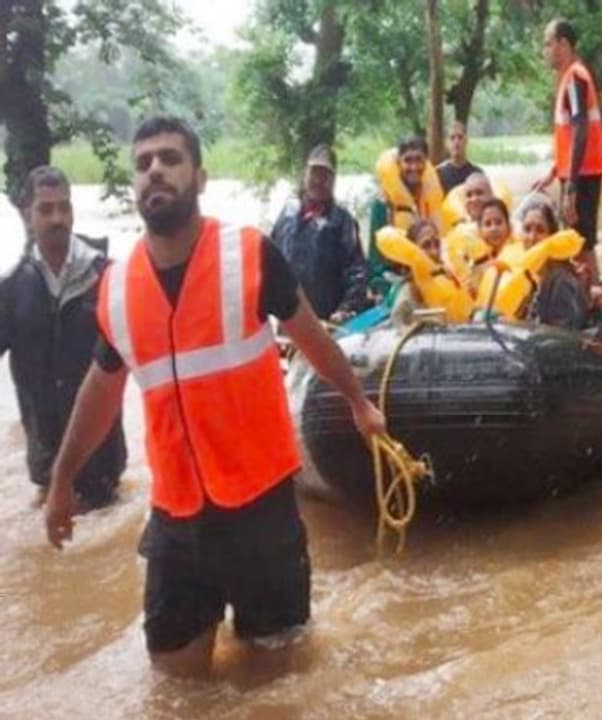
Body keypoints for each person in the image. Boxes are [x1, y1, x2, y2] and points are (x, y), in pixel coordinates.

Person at [42, 116, 387, 678]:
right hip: (176, 516)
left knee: (280, 679)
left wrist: (357, 400)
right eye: (143, 162)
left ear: (199, 177)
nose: (155, 170)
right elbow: (101, 390)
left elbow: (309, 335)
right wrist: (61, 482)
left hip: (262, 509)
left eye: (170, 159)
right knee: (174, 682)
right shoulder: (117, 286)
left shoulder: (249, 254)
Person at [0, 166, 125, 511]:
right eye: (45, 208)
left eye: (64, 207)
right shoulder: (11, 291)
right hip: (46, 464)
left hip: (102, 464)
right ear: (27, 216)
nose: (57, 218)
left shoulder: (107, 277)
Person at [532, 18, 602, 282]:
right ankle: (589, 299)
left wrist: (572, 187)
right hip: (578, 172)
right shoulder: (569, 78)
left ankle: (595, 301)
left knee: (580, 245)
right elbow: (570, 134)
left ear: (563, 44)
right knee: (578, 242)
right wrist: (555, 171)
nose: (545, 51)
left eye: (548, 44)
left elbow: (581, 128)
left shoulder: (575, 77)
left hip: (583, 175)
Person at [268, 144, 367, 324]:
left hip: (326, 322)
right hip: (288, 320)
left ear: (334, 179)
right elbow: (270, 262)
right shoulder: (287, 213)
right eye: (314, 173)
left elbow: (357, 272)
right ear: (304, 175)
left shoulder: (342, 221)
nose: (318, 180)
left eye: (325, 175)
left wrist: (345, 309)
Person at [367, 135, 445, 299]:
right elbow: (376, 263)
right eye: (407, 160)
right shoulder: (383, 205)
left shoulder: (432, 199)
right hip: (396, 283)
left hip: (432, 280)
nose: (413, 167)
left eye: (419, 160)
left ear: (426, 163)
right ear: (399, 163)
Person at [521, 199, 590, 329]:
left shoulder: (560, 281)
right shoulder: (538, 275)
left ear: (552, 237)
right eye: (527, 229)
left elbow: (562, 335)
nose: (532, 237)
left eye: (540, 230)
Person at [436, 121, 484, 195]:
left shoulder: (477, 173)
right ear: (446, 143)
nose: (456, 142)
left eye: (460, 137)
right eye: (452, 138)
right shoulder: (438, 173)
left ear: (466, 141)